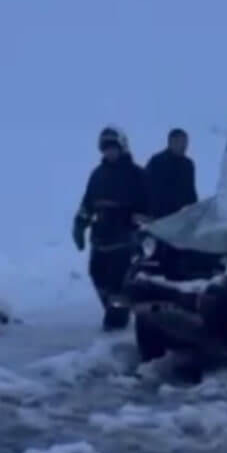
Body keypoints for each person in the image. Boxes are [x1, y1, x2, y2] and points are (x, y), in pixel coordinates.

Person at [73, 126, 149, 331]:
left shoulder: (137, 174)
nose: (109, 152)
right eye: (106, 148)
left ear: (122, 147)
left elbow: (150, 205)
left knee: (119, 285)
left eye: (113, 147)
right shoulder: (97, 175)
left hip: (126, 240)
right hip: (101, 239)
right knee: (97, 276)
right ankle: (114, 312)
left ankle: (118, 325)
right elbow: (87, 204)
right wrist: (79, 225)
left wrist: (140, 223)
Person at [145, 128, 198, 220]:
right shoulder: (157, 161)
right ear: (171, 142)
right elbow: (146, 187)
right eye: (180, 142)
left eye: (185, 142)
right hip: (158, 217)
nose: (183, 146)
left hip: (181, 217)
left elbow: (191, 192)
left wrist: (195, 211)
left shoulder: (188, 165)